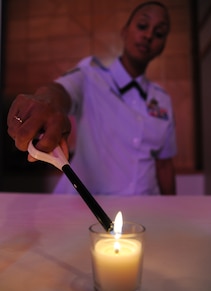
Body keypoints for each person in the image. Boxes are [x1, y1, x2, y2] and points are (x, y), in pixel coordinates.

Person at [7, 1, 177, 195]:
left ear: (163, 45)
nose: (148, 35)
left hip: (146, 210)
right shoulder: (90, 75)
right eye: (142, 26)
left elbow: (164, 164)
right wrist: (47, 101)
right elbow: (61, 91)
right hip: (87, 207)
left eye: (159, 33)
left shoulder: (163, 100)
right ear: (124, 31)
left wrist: (175, 209)